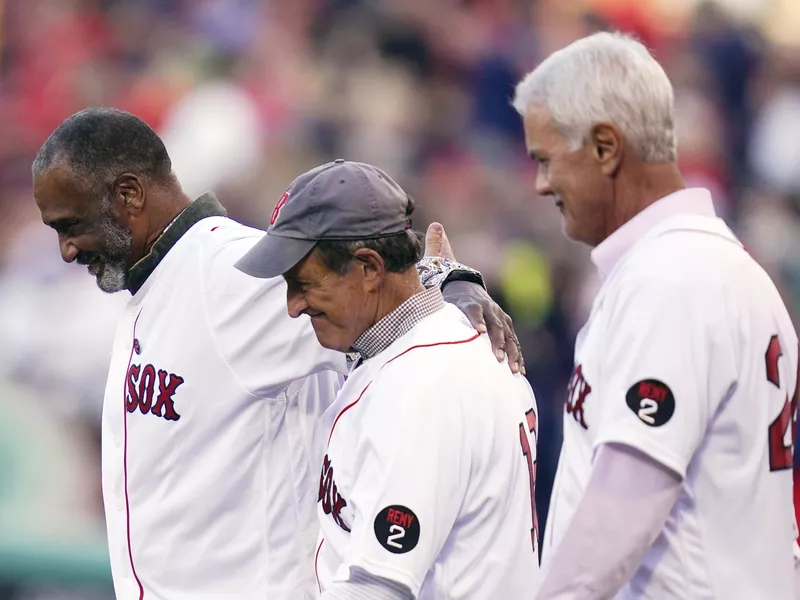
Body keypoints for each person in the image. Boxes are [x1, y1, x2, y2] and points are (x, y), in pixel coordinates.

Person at [31, 108, 523, 600]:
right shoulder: (163, 282)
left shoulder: (223, 272)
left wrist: (450, 282)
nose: (66, 250)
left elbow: (374, 290)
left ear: (129, 195)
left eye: (71, 225)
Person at [512, 32, 798, 599]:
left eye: (547, 160)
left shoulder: (674, 277)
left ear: (605, 147)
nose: (542, 183)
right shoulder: (706, 265)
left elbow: (626, 499)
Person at [235, 159, 540, 600]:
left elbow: (375, 589)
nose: (293, 306)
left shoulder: (420, 385)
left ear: (370, 267)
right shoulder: (439, 344)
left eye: (304, 283)